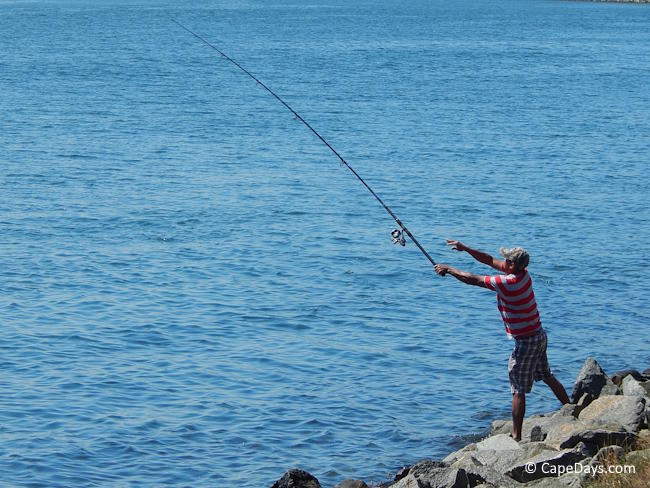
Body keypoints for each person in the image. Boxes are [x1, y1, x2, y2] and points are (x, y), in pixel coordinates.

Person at [434, 239, 570, 441]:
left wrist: (449, 269)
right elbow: (489, 260)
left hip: (526, 342)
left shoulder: (508, 283)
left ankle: (516, 436)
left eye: (506, 259)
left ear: (512, 265)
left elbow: (474, 279)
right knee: (546, 375)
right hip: (539, 335)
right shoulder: (524, 275)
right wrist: (465, 248)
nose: (502, 261)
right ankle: (570, 406)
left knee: (517, 388)